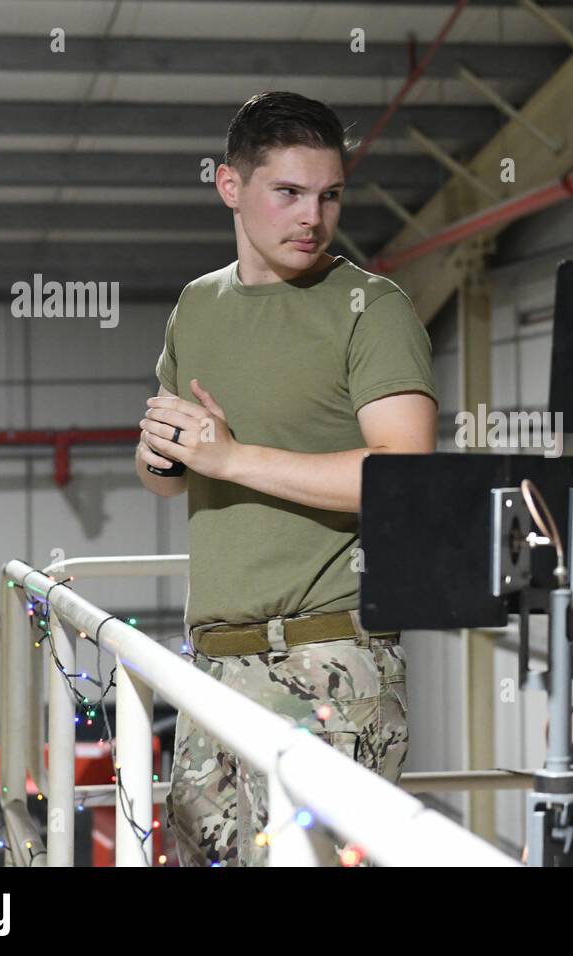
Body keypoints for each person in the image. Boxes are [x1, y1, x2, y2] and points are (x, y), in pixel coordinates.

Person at [134, 91, 439, 866]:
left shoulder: (373, 308)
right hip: (214, 664)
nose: (313, 217)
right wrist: (163, 453)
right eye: (289, 193)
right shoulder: (195, 306)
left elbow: (403, 479)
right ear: (231, 187)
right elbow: (168, 480)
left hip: (331, 661)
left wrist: (231, 458)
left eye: (330, 195)